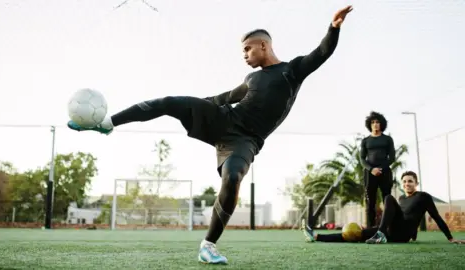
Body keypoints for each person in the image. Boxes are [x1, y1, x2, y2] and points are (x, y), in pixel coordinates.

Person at [67, 5, 353, 264]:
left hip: (245, 141)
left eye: (247, 49)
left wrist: (334, 28)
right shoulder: (252, 78)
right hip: (224, 120)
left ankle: (208, 245)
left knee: (232, 177)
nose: (244, 55)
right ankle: (108, 123)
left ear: (263, 45)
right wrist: (195, 106)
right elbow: (226, 97)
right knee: (169, 101)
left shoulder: (292, 71)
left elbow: (322, 52)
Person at [301, 171, 465, 244]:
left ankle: (379, 233)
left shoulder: (423, 197)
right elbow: (401, 214)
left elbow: (434, 216)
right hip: (391, 231)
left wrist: (451, 238)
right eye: (405, 181)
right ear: (402, 184)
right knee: (357, 234)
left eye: (410, 181)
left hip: (402, 233)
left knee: (387, 197)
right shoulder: (401, 198)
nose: (407, 184)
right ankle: (316, 236)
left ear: (416, 183)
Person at [360, 111, 396, 227]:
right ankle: (370, 228)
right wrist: (371, 169)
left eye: (377, 122)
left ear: (382, 124)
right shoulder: (365, 141)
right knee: (370, 202)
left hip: (384, 172)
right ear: (369, 125)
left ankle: (388, 227)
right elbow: (362, 159)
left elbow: (392, 158)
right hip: (370, 174)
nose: (375, 124)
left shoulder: (387, 139)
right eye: (373, 122)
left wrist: (380, 168)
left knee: (387, 200)